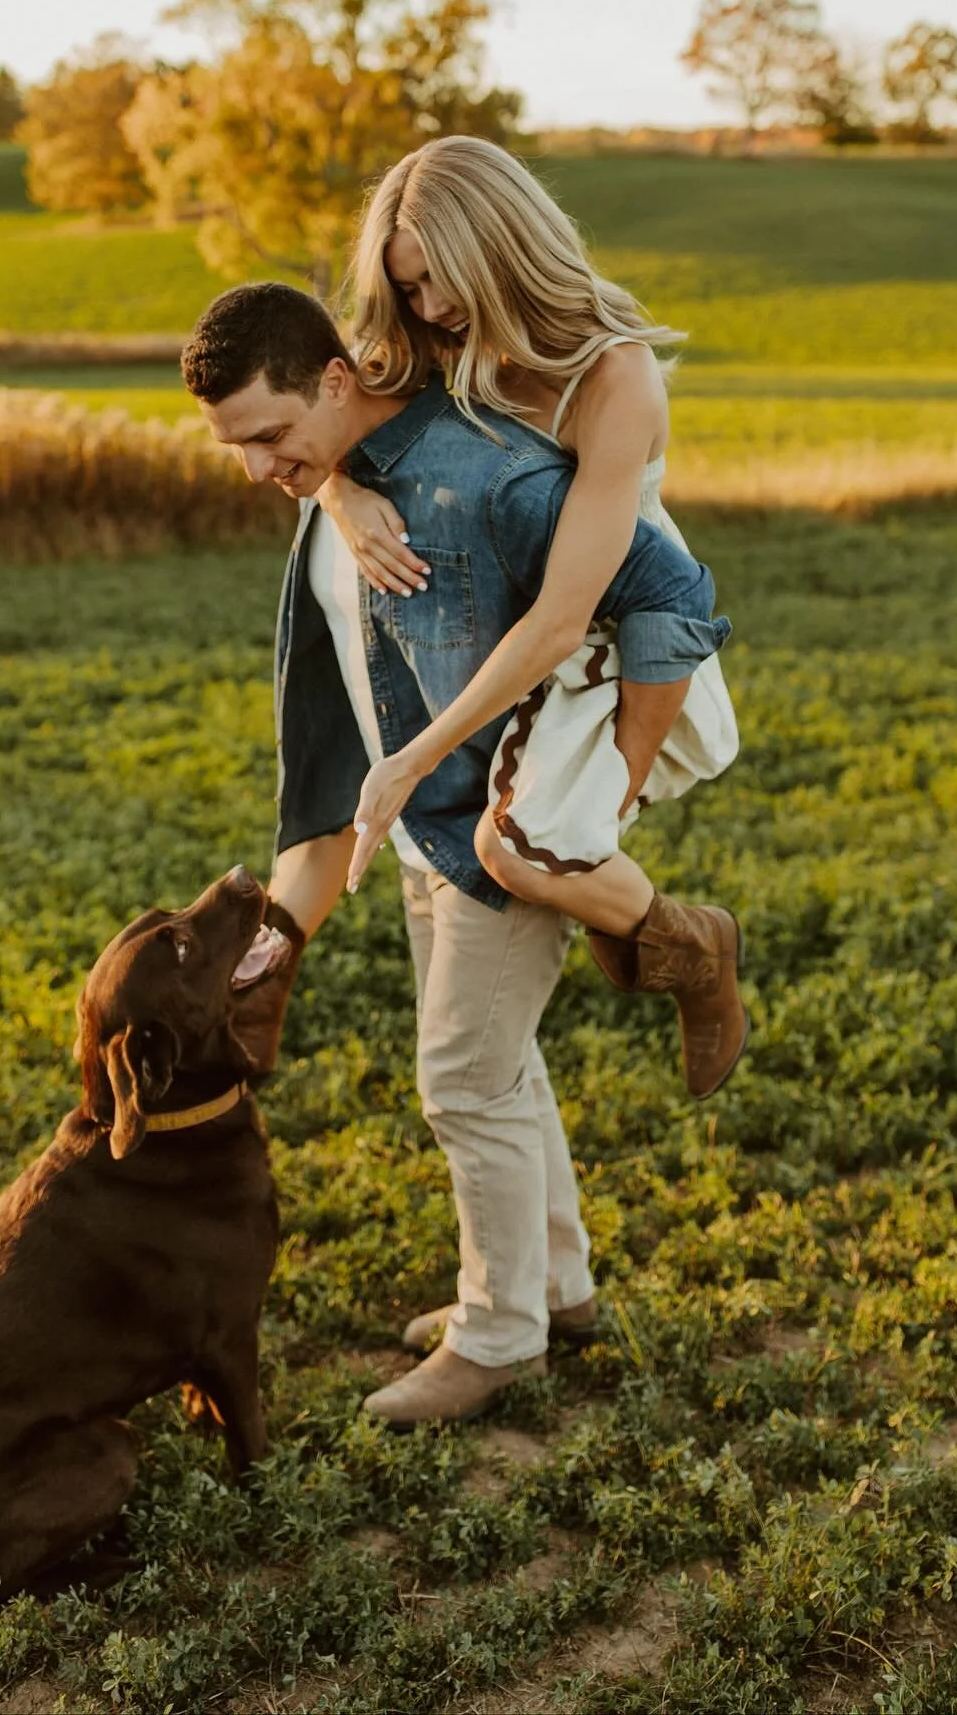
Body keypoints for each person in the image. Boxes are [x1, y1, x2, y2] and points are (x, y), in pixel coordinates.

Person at [183, 281, 746, 1427]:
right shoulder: (333, 487)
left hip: (499, 824)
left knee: (461, 1078)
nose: (257, 468)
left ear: (333, 380)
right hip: (418, 828)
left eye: (272, 438)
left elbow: (670, 589)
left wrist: (617, 789)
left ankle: (498, 1338)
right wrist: (331, 483)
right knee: (500, 1064)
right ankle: (555, 1285)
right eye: (238, 447)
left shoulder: (486, 474)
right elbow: (334, 705)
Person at [321, 136, 742, 1088]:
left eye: (436, 282)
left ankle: (697, 949)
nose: (426, 310)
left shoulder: (614, 378)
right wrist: (341, 495)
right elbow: (294, 425)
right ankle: (651, 927)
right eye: (408, 289)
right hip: (511, 645)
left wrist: (409, 761)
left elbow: (565, 618)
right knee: (522, 866)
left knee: (522, 857)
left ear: (498, 246)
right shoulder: (435, 346)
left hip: (618, 642)